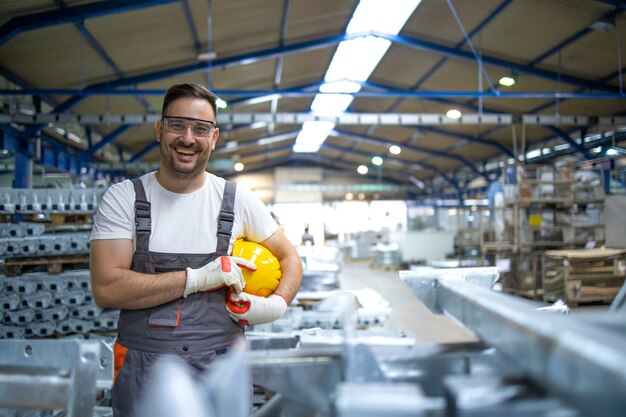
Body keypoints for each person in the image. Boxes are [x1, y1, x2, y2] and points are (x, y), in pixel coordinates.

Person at [89, 83, 302, 417]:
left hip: (221, 365)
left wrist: (275, 305)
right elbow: (106, 288)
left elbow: (290, 257)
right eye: (178, 125)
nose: (188, 138)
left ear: (213, 138)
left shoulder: (237, 200)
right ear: (160, 130)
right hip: (143, 368)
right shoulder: (125, 198)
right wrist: (197, 279)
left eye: (201, 129)